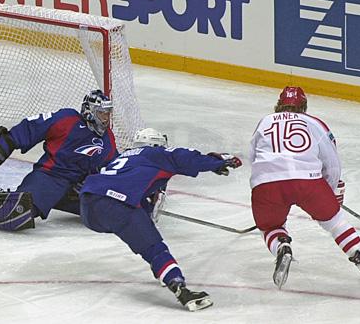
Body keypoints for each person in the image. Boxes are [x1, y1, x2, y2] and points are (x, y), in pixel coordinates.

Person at [79, 128, 242, 311]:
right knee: (154, 248)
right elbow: (185, 158)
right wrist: (216, 162)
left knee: (141, 228)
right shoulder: (155, 153)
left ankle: (163, 270)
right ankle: (179, 287)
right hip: (116, 204)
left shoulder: (125, 158)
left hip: (88, 206)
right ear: (156, 145)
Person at [249, 86, 360, 289]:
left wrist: (261, 184)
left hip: (266, 183)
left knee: (270, 227)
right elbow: (332, 161)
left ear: (278, 105)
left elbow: (254, 156)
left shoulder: (265, 121)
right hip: (308, 181)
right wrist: (330, 192)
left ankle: (282, 246)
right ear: (303, 106)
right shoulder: (313, 122)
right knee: (335, 222)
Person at [0, 89, 118, 231]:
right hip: (51, 177)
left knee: (112, 212)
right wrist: (9, 141)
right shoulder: (67, 119)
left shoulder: (107, 138)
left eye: (107, 114)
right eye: (101, 113)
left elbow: (114, 165)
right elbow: (34, 125)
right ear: (89, 111)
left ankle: (60, 200)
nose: (105, 118)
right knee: (15, 213)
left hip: (78, 186)